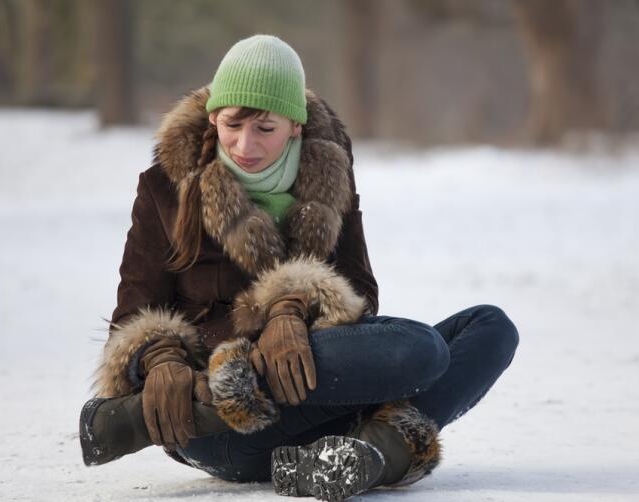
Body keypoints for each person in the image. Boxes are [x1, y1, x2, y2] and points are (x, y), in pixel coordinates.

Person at [80, 34, 518, 502]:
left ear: (295, 126)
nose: (245, 144)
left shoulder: (328, 177)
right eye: (232, 125)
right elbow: (133, 316)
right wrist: (163, 360)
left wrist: (292, 304)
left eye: (265, 129)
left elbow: (361, 293)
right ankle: (184, 407)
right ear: (213, 117)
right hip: (214, 433)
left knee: (489, 328)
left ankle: (360, 458)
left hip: (314, 406)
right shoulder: (164, 188)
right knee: (423, 352)